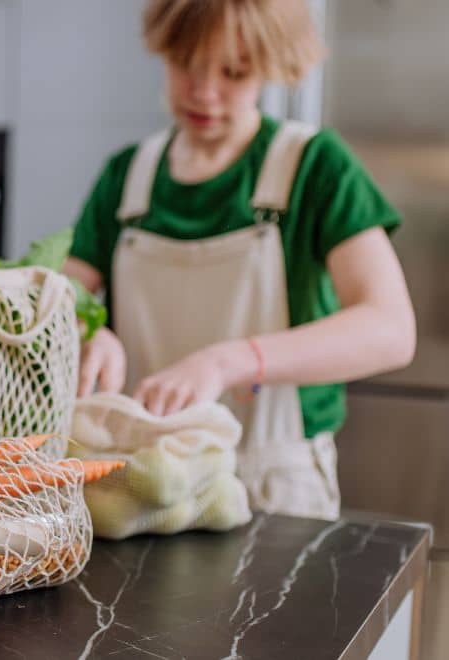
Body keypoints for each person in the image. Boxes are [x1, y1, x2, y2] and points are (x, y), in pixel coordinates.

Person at [64, 0, 415, 520]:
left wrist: (227, 361)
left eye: (234, 71)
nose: (203, 91)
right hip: (143, 485)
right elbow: (59, 302)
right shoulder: (126, 175)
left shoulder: (316, 166)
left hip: (275, 484)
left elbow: (390, 330)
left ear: (273, 63)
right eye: (186, 62)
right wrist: (87, 330)